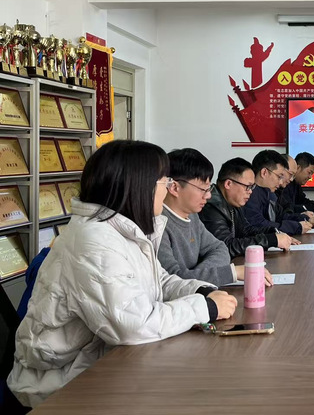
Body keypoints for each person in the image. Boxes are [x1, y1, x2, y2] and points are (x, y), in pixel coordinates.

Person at [8, 140, 237, 408]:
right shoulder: (94, 240)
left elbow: (160, 281)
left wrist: (200, 290)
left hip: (103, 358)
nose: (167, 189)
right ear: (138, 185)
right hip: (62, 381)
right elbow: (132, 324)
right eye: (163, 181)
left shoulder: (123, 229)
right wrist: (204, 307)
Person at [157, 148, 272, 287]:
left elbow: (220, 248)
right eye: (202, 189)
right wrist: (231, 273)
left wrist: (196, 276)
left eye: (208, 189)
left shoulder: (192, 216)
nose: (208, 195)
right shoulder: (157, 226)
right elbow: (174, 281)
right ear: (174, 188)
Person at [199, 157, 298, 256]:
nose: (250, 191)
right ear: (228, 184)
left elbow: (247, 230)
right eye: (247, 186)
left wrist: (274, 232)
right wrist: (271, 240)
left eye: (252, 187)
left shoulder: (233, 202)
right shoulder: (211, 207)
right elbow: (226, 247)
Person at [245, 150, 313, 235]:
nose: (280, 182)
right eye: (279, 176)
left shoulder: (269, 194)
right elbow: (259, 224)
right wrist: (296, 227)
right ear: (264, 173)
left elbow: (280, 216)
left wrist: (304, 219)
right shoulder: (249, 194)